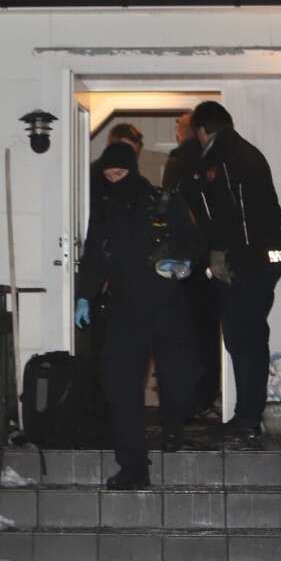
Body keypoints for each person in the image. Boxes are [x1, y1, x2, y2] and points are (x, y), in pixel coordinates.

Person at [74, 140, 205, 488]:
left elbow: (193, 243)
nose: (114, 180)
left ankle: (173, 427)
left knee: (177, 379)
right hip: (125, 310)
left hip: (167, 306)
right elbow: (94, 256)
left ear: (132, 171)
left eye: (120, 173)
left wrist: (182, 264)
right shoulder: (105, 209)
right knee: (121, 388)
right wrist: (84, 295)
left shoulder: (163, 202)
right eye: (108, 175)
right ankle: (133, 466)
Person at [190, 100, 281, 439]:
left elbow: (221, 213)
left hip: (244, 264)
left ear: (203, 130)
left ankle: (247, 419)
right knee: (251, 336)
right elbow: (273, 213)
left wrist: (219, 254)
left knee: (242, 339)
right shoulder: (251, 154)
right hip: (267, 260)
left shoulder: (219, 159)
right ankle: (248, 415)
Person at [162, 110, 221, 419]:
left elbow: (169, 211)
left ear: (184, 131)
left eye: (178, 128)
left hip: (185, 262)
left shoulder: (178, 163)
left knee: (183, 334)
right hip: (210, 261)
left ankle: (185, 401)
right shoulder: (212, 161)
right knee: (208, 333)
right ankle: (206, 397)